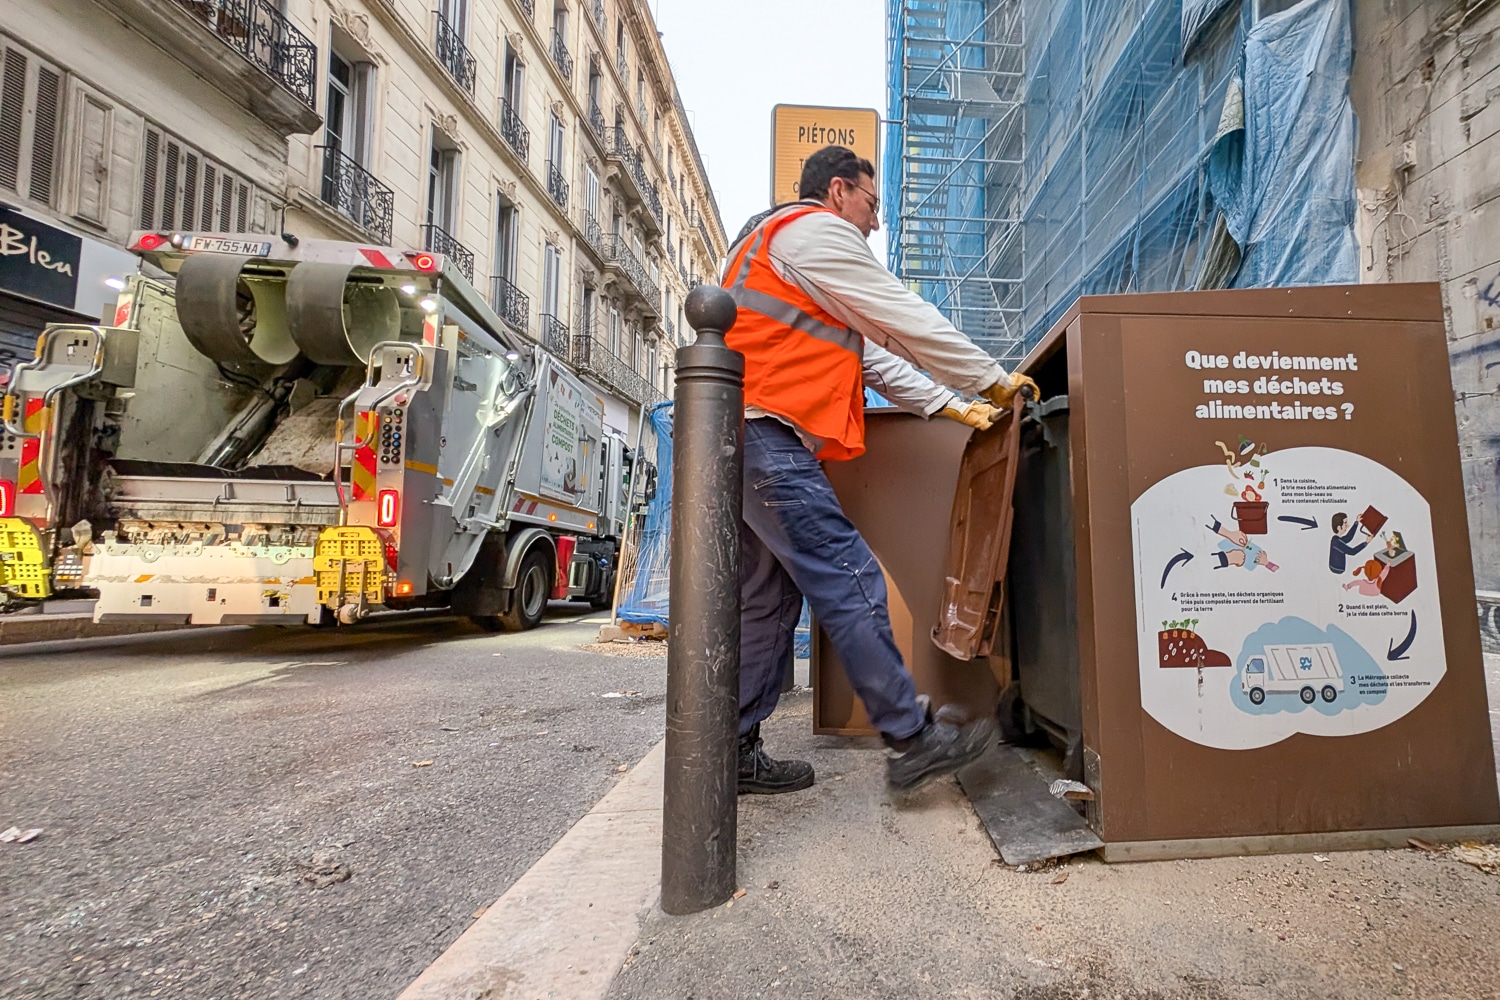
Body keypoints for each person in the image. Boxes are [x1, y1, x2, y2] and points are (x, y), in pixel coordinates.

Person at [723, 145, 1039, 795]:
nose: (873, 223)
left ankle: (732, 749)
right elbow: (902, 315)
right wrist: (991, 380)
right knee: (847, 573)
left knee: (767, 599)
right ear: (838, 191)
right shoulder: (812, 232)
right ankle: (912, 739)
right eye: (871, 205)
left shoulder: (788, 262)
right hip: (763, 435)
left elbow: (871, 359)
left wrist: (954, 405)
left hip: (740, 441)